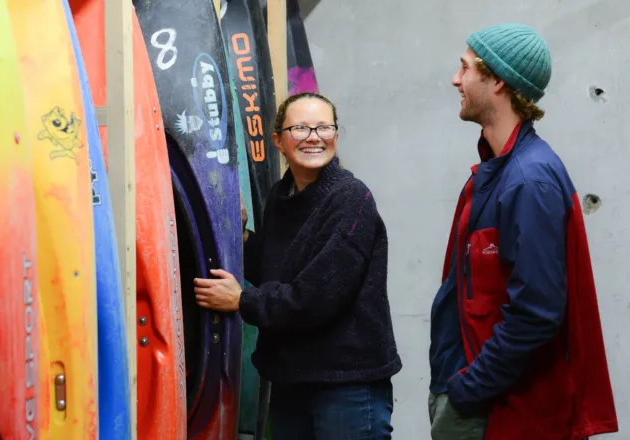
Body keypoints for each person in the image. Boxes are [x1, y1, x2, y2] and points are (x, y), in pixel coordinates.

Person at [428, 22, 618, 440]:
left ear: (497, 80)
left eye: (465, 68)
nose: (455, 79)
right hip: (479, 397)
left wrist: (467, 390)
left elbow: (536, 311)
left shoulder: (529, 181)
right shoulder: (498, 174)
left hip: (501, 412)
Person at [193, 92, 402, 439]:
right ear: (278, 141)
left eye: (324, 128)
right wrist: (240, 235)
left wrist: (241, 300)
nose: (313, 137)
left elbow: (316, 298)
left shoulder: (351, 199)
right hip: (292, 380)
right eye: (301, 128)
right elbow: (279, 268)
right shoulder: (282, 195)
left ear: (335, 135)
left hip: (346, 386)